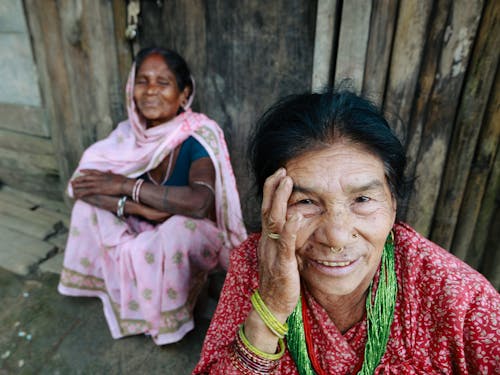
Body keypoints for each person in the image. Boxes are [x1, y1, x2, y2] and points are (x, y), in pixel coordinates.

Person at [193, 90, 499, 373]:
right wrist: (269, 311)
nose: (336, 237)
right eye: (306, 201)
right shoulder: (255, 264)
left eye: (362, 199)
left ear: (393, 202)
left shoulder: (462, 301)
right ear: (271, 206)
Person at [58, 47, 247, 345]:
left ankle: (172, 318)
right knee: (86, 209)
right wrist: (137, 208)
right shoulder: (127, 135)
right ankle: (135, 301)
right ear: (131, 91)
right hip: (144, 222)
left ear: (184, 94)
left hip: (190, 233)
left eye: (163, 82)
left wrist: (123, 185)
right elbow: (80, 186)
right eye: (143, 82)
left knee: (177, 228)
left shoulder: (199, 134)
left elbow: (199, 203)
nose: (150, 91)